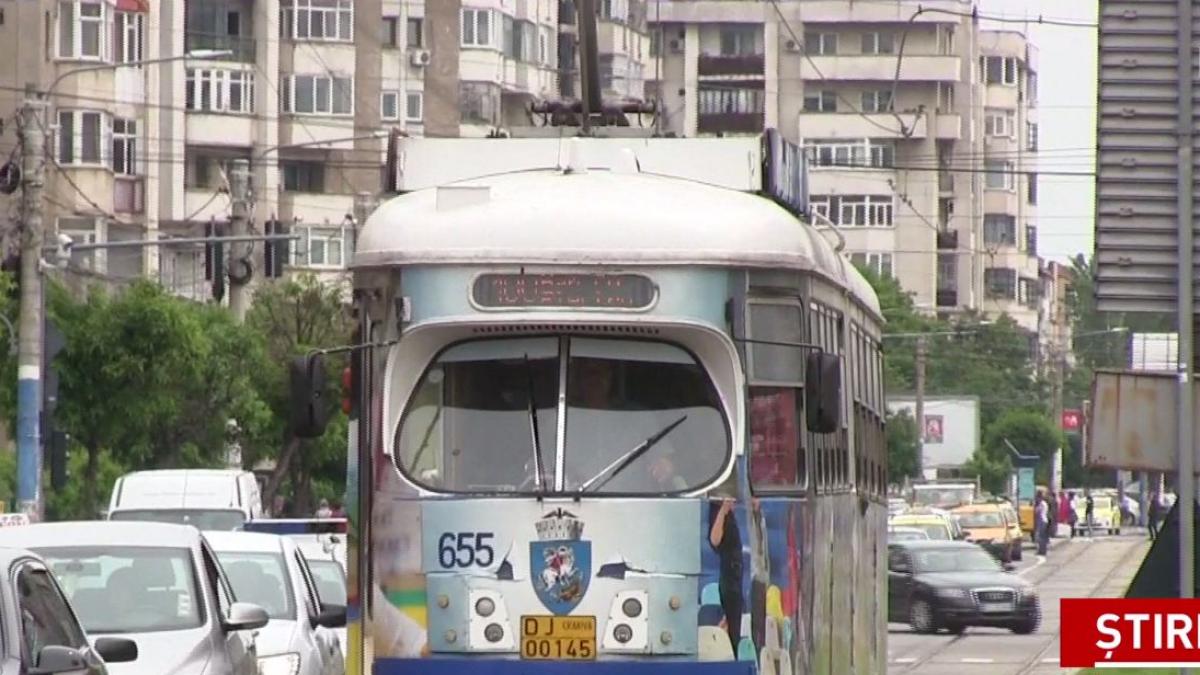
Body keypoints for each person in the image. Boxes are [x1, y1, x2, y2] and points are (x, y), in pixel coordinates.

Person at [708, 498, 743, 654]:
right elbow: (715, 540)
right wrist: (723, 510)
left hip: (736, 575)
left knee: (734, 624)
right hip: (729, 576)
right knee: (732, 625)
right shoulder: (717, 511)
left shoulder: (731, 518)